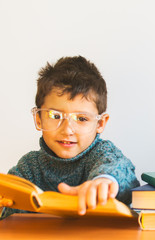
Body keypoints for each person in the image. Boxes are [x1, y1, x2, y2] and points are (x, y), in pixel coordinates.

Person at [0, 56, 140, 219]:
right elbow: (11, 218)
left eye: (81, 119)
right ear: (38, 119)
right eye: (55, 115)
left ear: (100, 123)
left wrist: (104, 181)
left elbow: (123, 173)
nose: (67, 130)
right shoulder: (28, 167)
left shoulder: (103, 155)